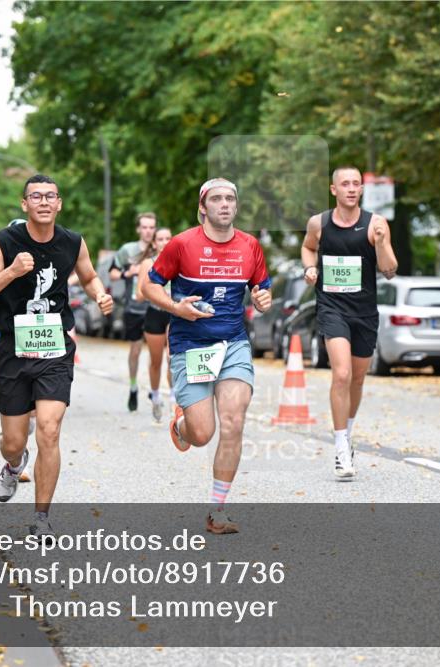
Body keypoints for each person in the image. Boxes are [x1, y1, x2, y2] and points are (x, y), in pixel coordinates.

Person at [0, 174, 113, 539]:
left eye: (51, 196)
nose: (45, 202)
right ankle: (13, 462)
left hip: (54, 347)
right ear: (25, 205)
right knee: (14, 441)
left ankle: (41, 519)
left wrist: (99, 294)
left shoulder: (72, 242)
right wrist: (12, 271)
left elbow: (89, 275)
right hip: (12, 350)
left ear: (59, 203)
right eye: (36, 196)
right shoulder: (4, 242)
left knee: (49, 430)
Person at [143, 178, 272, 535]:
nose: (224, 204)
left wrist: (263, 299)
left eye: (230, 198)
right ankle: (182, 426)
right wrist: (175, 308)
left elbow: (262, 289)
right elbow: (149, 285)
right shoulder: (182, 245)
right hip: (191, 346)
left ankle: (218, 510)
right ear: (203, 207)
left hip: (232, 344)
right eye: (216, 199)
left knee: (233, 422)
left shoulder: (250, 245)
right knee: (203, 433)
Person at [301, 166, 398, 480]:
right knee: (340, 374)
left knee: (357, 379)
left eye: (357, 184)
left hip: (364, 312)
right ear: (334, 190)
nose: (352, 189)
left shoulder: (376, 224)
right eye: (345, 184)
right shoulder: (320, 223)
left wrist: (381, 243)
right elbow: (307, 247)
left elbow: (389, 270)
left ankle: (349, 431)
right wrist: (310, 268)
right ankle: (341, 446)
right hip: (332, 308)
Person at [109, 212, 157, 412]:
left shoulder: (159, 249)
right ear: (139, 229)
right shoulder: (127, 250)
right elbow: (112, 274)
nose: (148, 231)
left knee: (157, 352)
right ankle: (133, 386)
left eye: (151, 227)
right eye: (144, 227)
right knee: (135, 349)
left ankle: (154, 387)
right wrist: (127, 273)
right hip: (134, 308)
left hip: (155, 306)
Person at [136, 227, 174, 422]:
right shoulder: (147, 263)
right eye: (160, 239)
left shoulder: (178, 261)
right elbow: (139, 295)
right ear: (154, 243)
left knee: (172, 357)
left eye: (168, 238)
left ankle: (175, 398)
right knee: (156, 361)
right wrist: (154, 285)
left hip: (173, 313)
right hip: (154, 314)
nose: (165, 242)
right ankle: (156, 395)